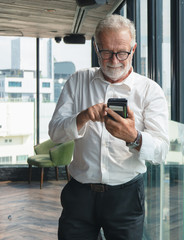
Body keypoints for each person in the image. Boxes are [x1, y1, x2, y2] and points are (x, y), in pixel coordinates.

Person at [49, 14, 169, 240]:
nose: (114, 60)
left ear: (133, 49)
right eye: (106, 52)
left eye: (122, 52)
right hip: (80, 194)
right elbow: (55, 133)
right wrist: (81, 117)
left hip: (126, 195)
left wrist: (134, 137)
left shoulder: (150, 90)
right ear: (96, 48)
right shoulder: (77, 81)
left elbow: (162, 151)